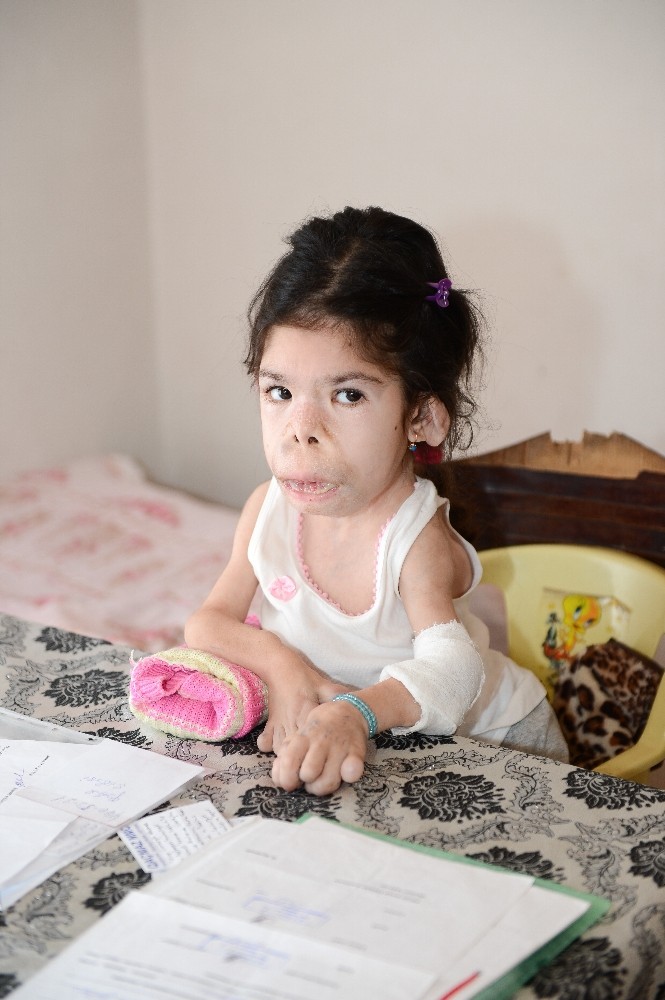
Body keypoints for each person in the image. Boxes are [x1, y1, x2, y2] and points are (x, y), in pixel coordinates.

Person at [185, 206, 568, 796]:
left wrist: (354, 712)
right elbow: (208, 623)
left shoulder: (415, 539)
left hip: (492, 739)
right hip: (374, 738)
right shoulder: (267, 509)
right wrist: (286, 669)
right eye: (279, 391)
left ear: (421, 417)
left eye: (347, 395)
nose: (300, 430)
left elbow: (452, 669)